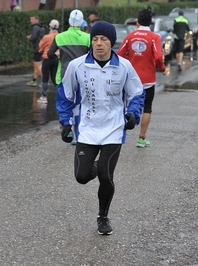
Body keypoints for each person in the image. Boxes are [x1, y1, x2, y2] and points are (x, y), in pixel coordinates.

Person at [56, 21, 145, 235]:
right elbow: (65, 95)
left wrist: (133, 114)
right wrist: (65, 122)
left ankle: (103, 216)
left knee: (106, 176)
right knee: (81, 176)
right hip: (87, 128)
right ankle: (96, 165)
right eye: (95, 39)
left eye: (103, 39)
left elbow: (137, 93)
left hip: (114, 128)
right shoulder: (77, 66)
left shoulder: (124, 66)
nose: (98, 43)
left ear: (111, 42)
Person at [117, 8, 166, 148]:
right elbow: (157, 56)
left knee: (124, 105)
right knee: (147, 108)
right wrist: (162, 69)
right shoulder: (154, 37)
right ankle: (141, 138)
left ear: (138, 21)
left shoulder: (130, 36)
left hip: (130, 79)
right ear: (151, 21)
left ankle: (118, 135)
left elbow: (119, 54)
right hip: (148, 80)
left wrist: (130, 60)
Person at [47, 9, 90, 145]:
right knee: (80, 105)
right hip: (83, 76)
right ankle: (79, 135)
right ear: (81, 22)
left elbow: (49, 54)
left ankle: (67, 126)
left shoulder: (59, 37)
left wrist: (58, 56)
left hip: (64, 75)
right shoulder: (87, 37)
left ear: (69, 21)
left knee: (65, 104)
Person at [37, 19, 59, 104]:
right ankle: (60, 95)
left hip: (46, 58)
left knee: (45, 78)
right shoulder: (60, 36)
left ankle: (44, 97)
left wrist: (41, 50)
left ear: (50, 26)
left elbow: (40, 46)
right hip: (56, 58)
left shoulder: (46, 37)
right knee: (55, 78)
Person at [26, 15, 45, 87]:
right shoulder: (42, 27)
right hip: (41, 47)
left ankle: (44, 80)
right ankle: (34, 80)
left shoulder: (35, 27)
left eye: (32, 19)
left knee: (36, 65)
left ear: (36, 19)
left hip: (37, 48)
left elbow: (33, 38)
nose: (31, 21)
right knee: (37, 65)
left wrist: (29, 37)